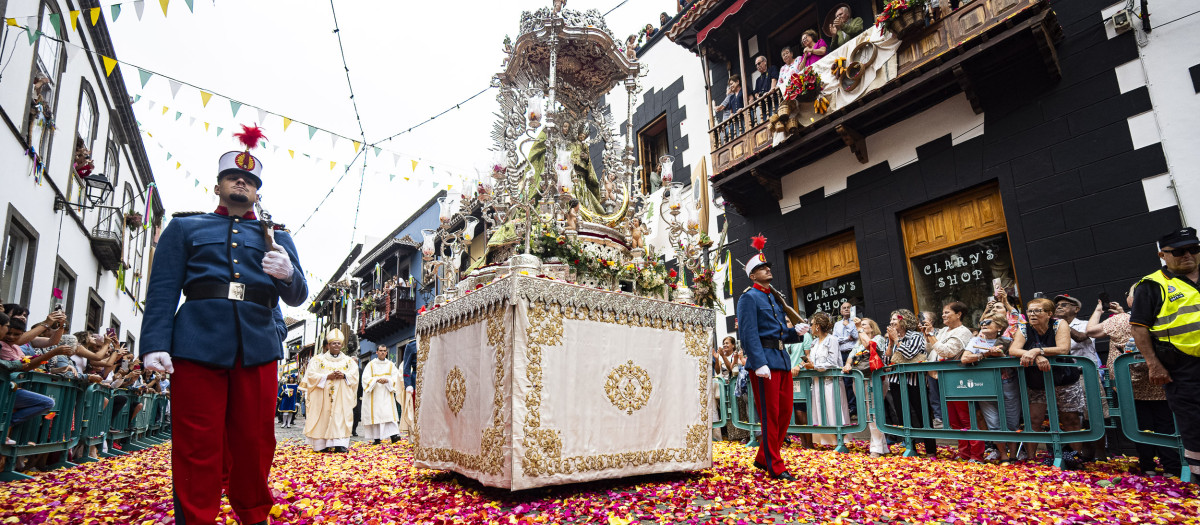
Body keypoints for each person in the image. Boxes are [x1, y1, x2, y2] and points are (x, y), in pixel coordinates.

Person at [141, 124, 307, 525]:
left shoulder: (278, 236)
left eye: (250, 180)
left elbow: (298, 296)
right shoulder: (185, 228)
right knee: (197, 445)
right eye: (234, 176)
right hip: (196, 343)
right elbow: (163, 289)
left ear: (257, 192)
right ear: (218, 186)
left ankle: (253, 516)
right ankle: (196, 519)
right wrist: (154, 344)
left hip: (258, 347)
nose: (241, 182)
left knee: (254, 444)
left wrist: (287, 274)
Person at [1130, 227, 1200, 481]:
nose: (1188, 255)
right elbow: (1138, 328)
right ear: (1163, 254)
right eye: (1179, 252)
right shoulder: (1151, 285)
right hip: (1183, 367)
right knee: (1194, 424)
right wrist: (1153, 364)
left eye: (1194, 249)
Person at [1091, 284, 1181, 477]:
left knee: (1140, 427)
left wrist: (1100, 310)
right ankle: (1171, 467)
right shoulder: (1163, 314)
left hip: (1130, 385)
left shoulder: (1121, 320)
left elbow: (1091, 331)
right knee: (1166, 426)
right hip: (1162, 382)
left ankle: (1147, 466)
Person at [735, 237, 805, 480]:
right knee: (770, 415)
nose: (768, 269)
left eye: (768, 267)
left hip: (781, 359)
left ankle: (764, 457)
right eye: (762, 268)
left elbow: (778, 333)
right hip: (764, 362)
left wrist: (794, 333)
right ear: (752, 276)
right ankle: (775, 465)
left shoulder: (773, 298)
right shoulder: (748, 298)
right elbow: (748, 333)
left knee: (785, 413)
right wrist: (759, 361)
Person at [1009, 297, 1084, 464]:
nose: (1032, 314)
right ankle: (1031, 459)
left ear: (1049, 314)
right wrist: (1036, 357)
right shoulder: (1024, 327)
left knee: (1070, 419)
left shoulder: (1059, 324)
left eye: (1038, 311)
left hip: (1064, 378)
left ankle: (1075, 458)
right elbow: (1014, 349)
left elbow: (1064, 348)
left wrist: (1036, 351)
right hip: (1036, 381)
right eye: (1030, 311)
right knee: (1034, 419)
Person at [923, 302, 976, 460]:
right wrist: (928, 337)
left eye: (947, 312)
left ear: (959, 314)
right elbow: (931, 349)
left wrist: (932, 336)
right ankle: (964, 453)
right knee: (954, 419)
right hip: (940, 376)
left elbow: (948, 351)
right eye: (943, 312)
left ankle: (976, 454)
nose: (943, 315)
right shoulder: (944, 330)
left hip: (958, 378)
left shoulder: (963, 331)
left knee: (966, 417)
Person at [885, 309, 938, 456]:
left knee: (923, 415)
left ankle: (930, 451)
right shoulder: (889, 337)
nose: (891, 322)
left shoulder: (915, 336)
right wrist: (890, 343)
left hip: (915, 381)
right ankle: (910, 448)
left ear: (904, 321)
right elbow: (886, 361)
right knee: (903, 416)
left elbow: (908, 354)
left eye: (894, 319)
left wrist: (897, 340)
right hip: (896, 381)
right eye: (891, 319)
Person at [303, 329, 359, 453]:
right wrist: (326, 377)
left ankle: (339, 444)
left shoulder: (349, 361)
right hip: (322, 396)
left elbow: (354, 376)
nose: (336, 345)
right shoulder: (318, 360)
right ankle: (321, 444)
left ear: (342, 345)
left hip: (341, 396)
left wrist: (344, 375)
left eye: (339, 343)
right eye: (333, 343)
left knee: (339, 416)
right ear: (328, 345)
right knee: (323, 416)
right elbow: (311, 375)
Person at [844, 318, 888, 456]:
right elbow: (850, 357)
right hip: (860, 380)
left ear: (871, 327)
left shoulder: (879, 338)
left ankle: (876, 448)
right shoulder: (857, 344)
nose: (860, 327)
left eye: (864, 325)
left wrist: (859, 329)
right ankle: (882, 446)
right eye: (860, 325)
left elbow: (870, 346)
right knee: (870, 412)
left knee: (874, 412)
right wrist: (848, 364)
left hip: (873, 378)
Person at [804, 312, 849, 446]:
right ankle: (826, 441)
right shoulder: (814, 342)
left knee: (833, 410)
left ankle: (839, 441)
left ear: (817, 326)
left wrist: (815, 366)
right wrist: (806, 363)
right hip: (818, 382)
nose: (810, 327)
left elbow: (832, 361)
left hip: (831, 382)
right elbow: (812, 358)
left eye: (811, 324)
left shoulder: (832, 339)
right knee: (821, 411)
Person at [361, 344, 403, 445]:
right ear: (377, 352)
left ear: (386, 352)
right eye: (380, 350)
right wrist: (376, 380)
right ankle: (376, 438)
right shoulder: (371, 365)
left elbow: (396, 377)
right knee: (376, 415)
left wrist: (388, 380)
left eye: (384, 351)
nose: (383, 352)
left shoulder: (390, 365)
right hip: (374, 394)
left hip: (386, 393)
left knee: (389, 415)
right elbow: (365, 378)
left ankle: (394, 435)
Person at [832, 302, 858, 416]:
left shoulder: (856, 321)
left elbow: (856, 336)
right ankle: (852, 407)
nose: (846, 309)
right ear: (841, 311)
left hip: (854, 354)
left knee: (856, 380)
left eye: (849, 307)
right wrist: (847, 338)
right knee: (846, 381)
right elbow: (835, 340)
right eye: (844, 308)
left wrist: (848, 326)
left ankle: (860, 406)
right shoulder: (837, 324)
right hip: (841, 354)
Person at [398, 339, 418, 437]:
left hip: (431, 378)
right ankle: (416, 435)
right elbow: (406, 366)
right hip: (416, 380)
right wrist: (408, 384)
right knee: (416, 409)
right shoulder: (411, 345)